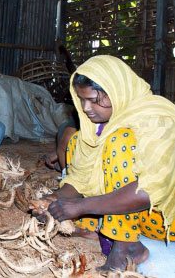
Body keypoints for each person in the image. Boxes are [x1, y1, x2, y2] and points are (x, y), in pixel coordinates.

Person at [46, 55, 175, 272]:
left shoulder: (157, 120)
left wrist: (80, 206)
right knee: (78, 140)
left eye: (95, 100)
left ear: (117, 91)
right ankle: (98, 228)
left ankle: (127, 246)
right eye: (82, 99)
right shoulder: (96, 126)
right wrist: (53, 201)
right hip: (141, 218)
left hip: (164, 219)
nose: (86, 108)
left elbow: (148, 193)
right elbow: (80, 179)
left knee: (119, 141)